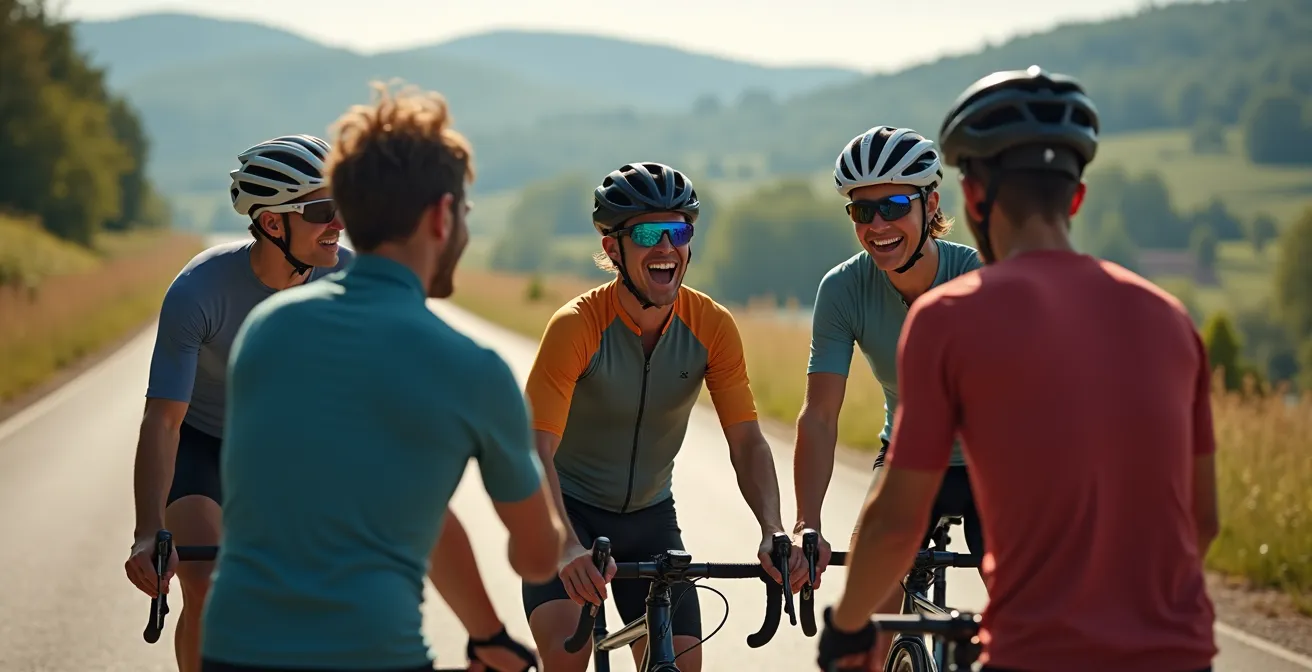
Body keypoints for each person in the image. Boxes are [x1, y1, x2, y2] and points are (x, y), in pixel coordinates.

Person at [817, 66, 1218, 672]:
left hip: (1040, 653)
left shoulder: (951, 316)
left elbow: (900, 518)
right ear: (1075, 197)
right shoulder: (1171, 320)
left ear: (970, 197)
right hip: (1180, 654)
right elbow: (1203, 521)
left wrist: (848, 629)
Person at [197, 82, 566, 672]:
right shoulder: (474, 368)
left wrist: (486, 631)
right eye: (464, 212)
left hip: (231, 649)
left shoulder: (267, 331)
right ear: (443, 217)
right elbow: (540, 560)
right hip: (370, 654)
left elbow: (374, 502)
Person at [520, 161, 807, 672]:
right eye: (650, 233)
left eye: (679, 231)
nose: (666, 248)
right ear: (613, 249)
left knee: (679, 665)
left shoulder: (712, 326)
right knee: (568, 656)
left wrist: (772, 529)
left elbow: (747, 442)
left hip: (651, 519)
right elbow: (533, 449)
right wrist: (564, 543)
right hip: (567, 513)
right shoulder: (576, 327)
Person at [124, 133, 354, 672]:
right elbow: (163, 421)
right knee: (208, 587)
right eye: (322, 209)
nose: (339, 223)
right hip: (204, 449)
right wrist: (145, 531)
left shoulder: (348, 281)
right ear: (272, 223)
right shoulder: (198, 292)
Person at [793, 125, 985, 666]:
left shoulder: (975, 277)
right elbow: (821, 415)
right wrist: (808, 520)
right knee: (861, 636)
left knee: (1033, 621)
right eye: (861, 212)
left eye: (894, 205)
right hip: (905, 460)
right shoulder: (843, 289)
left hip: (987, 463)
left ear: (931, 204)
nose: (877, 225)